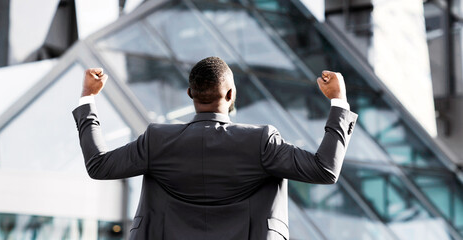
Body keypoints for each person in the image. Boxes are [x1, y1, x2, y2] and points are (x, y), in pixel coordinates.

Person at [73, 56, 357, 240]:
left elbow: (99, 164)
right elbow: (324, 168)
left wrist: (88, 98)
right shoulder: (261, 142)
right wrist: (339, 100)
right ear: (231, 94)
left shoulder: (157, 140)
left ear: (190, 95)